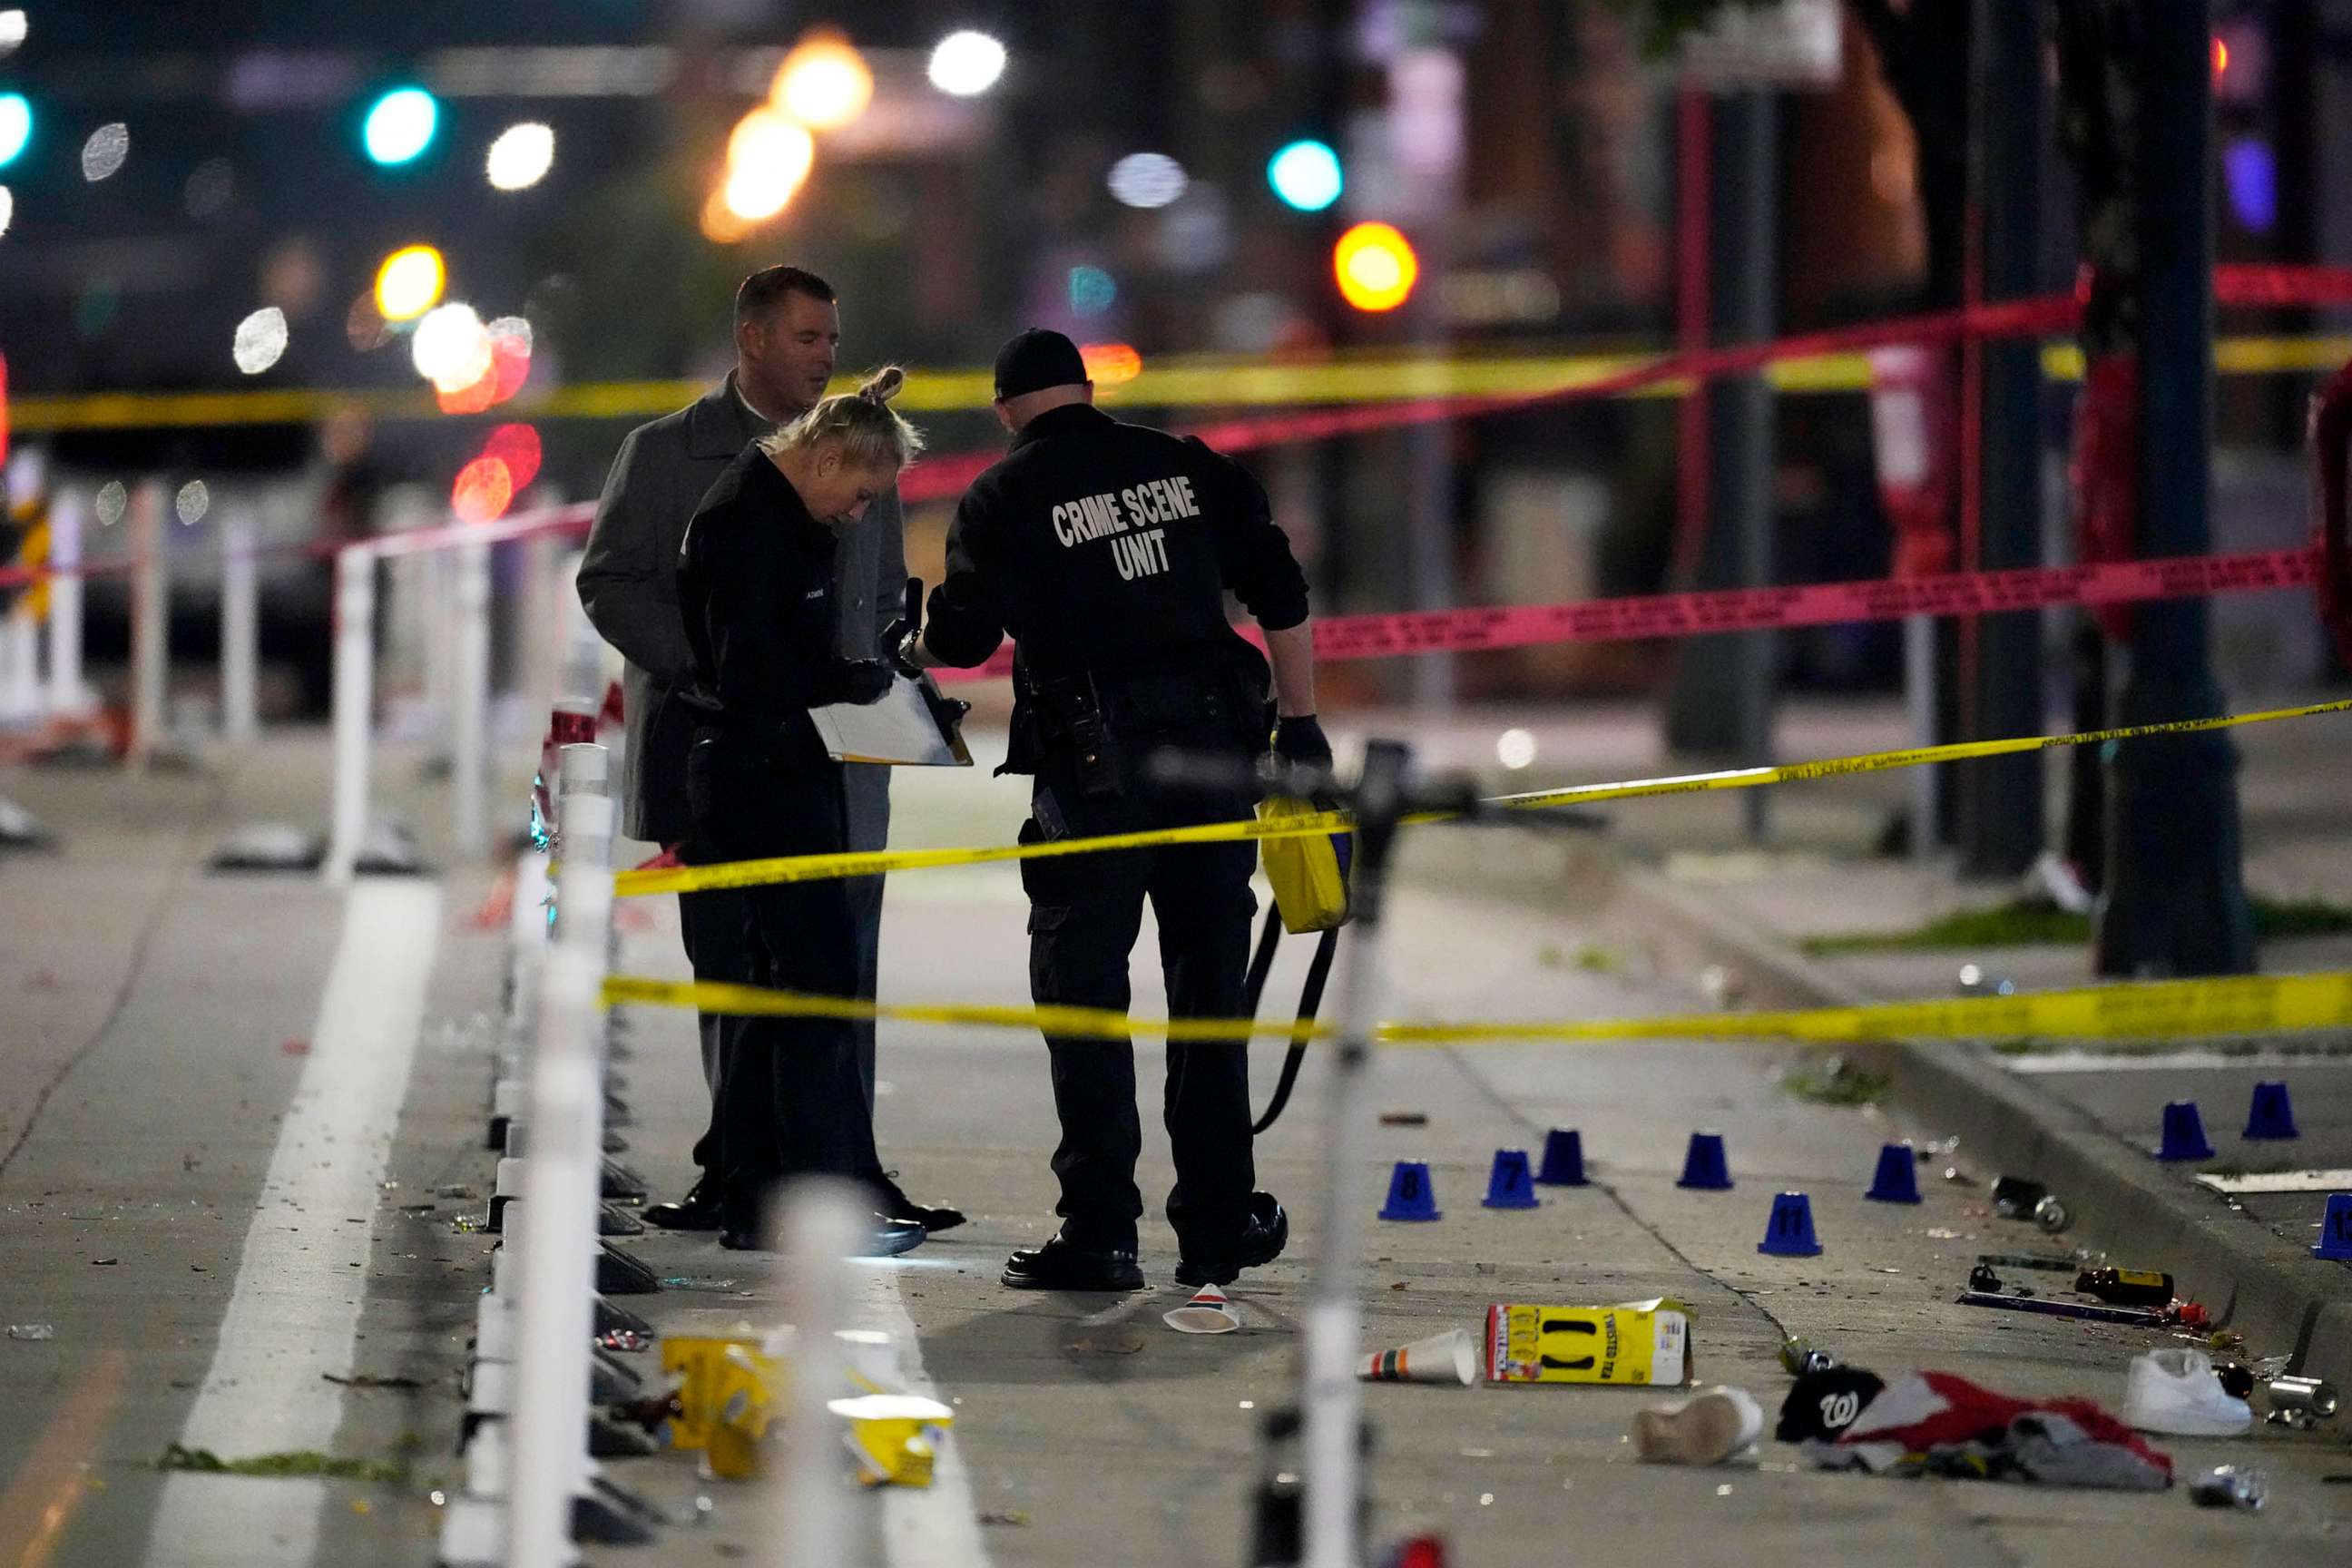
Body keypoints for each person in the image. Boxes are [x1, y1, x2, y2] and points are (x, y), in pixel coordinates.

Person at [901, 328, 1328, 1291]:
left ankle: (1100, 1233)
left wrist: (908, 651)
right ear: (1085, 389)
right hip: (1217, 757)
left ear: (1007, 409)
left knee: (1085, 997)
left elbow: (963, 639)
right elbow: (1281, 592)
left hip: (1093, 773)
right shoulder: (1184, 465)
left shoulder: (1001, 497)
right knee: (1209, 995)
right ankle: (1218, 1225)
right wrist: (1299, 725)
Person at [577, 266, 958, 1237]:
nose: (826, 357)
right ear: (752, 339)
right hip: (723, 746)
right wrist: (711, 667)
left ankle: (842, 1168)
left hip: (837, 754)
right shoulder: (669, 454)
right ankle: (740, 1172)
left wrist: (881, 680)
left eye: (832, 340)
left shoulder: (852, 450)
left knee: (840, 964)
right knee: (736, 967)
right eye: (806, 340)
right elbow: (612, 584)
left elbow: (876, 596)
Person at [676, 368, 930, 1252]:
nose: (861, 514)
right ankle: (813, 1209)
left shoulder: (777, 513)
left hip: (772, 772)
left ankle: (756, 1198)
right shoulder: (750, 523)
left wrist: (864, 683)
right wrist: (851, 683)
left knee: (772, 997)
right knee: (814, 994)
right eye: (861, 494)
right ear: (824, 458)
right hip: (762, 780)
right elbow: (754, 673)